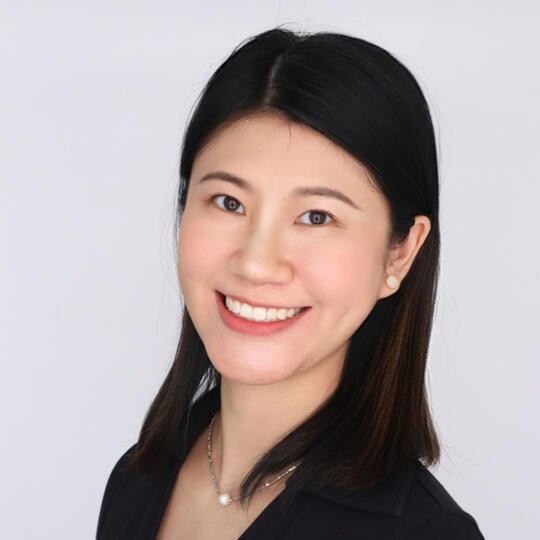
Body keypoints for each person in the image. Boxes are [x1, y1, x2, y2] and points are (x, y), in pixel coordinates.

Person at [96, 26, 485, 539]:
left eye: (317, 217)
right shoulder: (139, 477)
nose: (257, 264)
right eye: (229, 203)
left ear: (401, 252)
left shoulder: (425, 533)